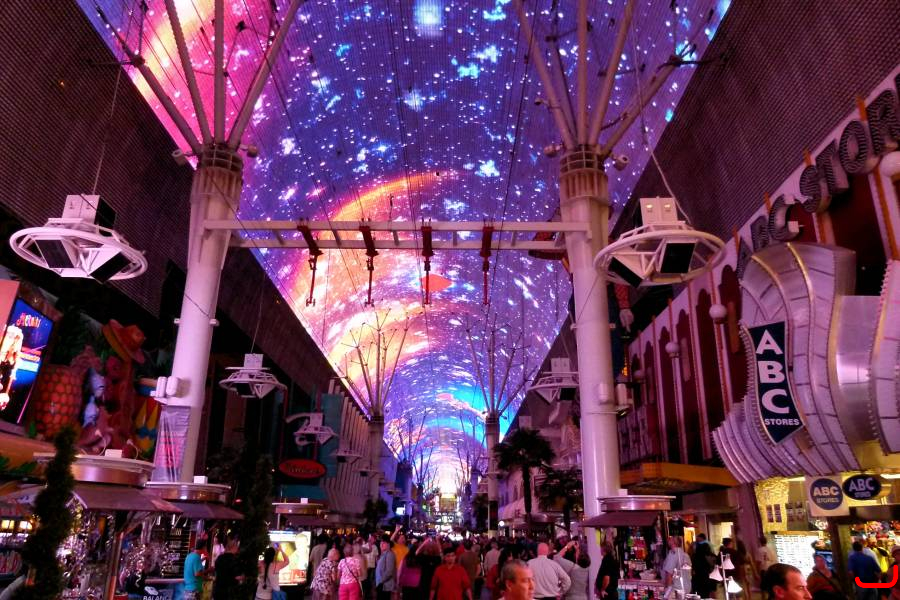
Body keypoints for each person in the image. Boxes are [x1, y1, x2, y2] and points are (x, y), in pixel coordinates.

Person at [213, 532, 242, 600]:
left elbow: (216, 573)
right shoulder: (235, 560)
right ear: (235, 544)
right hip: (229, 594)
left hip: (218, 592)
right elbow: (238, 577)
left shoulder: (219, 558)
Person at [691, 534, 716, 599]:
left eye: (698, 538)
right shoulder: (707, 547)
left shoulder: (698, 553)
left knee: (701, 590)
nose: (697, 539)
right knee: (706, 589)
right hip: (706, 573)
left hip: (700, 573)